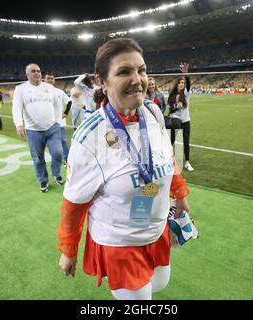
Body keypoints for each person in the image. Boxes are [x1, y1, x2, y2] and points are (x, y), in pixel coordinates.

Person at [57, 38, 191, 300]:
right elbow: (74, 202)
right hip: (120, 241)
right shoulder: (89, 138)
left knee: (160, 284)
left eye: (141, 70)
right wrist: (69, 249)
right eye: (124, 72)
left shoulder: (152, 112)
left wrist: (180, 195)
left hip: (156, 230)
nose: (137, 79)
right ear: (102, 82)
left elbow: (168, 158)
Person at [12, 63, 64, 193]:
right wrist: (19, 124)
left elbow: (58, 105)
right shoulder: (21, 89)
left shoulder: (49, 87)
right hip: (33, 130)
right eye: (34, 71)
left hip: (52, 128)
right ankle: (43, 180)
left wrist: (57, 121)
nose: (37, 73)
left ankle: (56, 173)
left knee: (58, 153)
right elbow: (16, 108)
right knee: (38, 157)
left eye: (39, 71)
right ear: (27, 74)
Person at [167, 62, 194, 172]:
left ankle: (187, 162)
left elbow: (188, 84)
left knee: (186, 141)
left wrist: (186, 74)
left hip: (186, 121)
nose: (182, 84)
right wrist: (176, 106)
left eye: (183, 83)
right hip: (175, 121)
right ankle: (167, 159)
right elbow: (171, 110)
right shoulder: (173, 96)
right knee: (171, 141)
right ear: (177, 84)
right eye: (180, 83)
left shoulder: (186, 94)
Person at [44, 73, 72, 164]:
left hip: (60, 123)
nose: (50, 80)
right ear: (44, 80)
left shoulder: (59, 92)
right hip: (47, 124)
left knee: (63, 141)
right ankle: (56, 159)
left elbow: (69, 101)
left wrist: (66, 113)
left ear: (54, 81)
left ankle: (67, 159)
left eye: (52, 78)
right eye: (48, 78)